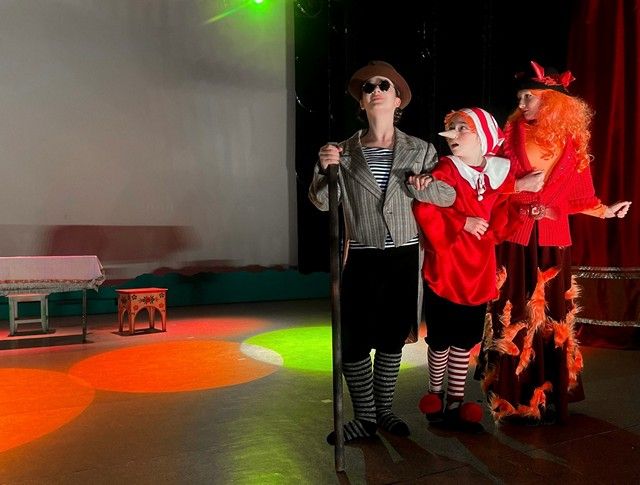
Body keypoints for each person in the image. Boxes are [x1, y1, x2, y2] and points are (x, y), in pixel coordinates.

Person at [308, 60, 456, 444]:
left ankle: (384, 412)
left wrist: (423, 186)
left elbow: (448, 196)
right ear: (361, 102)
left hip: (404, 257)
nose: (375, 90)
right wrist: (324, 170)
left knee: (392, 338)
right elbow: (322, 202)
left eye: (383, 85)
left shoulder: (421, 150)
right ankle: (365, 418)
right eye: (368, 87)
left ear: (397, 99)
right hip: (360, 258)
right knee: (353, 342)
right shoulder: (342, 151)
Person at [478, 61, 632, 425]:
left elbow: (580, 197)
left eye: (529, 97)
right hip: (516, 237)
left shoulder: (571, 143)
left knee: (553, 316)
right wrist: (520, 189)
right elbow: (488, 188)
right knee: (514, 311)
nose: (521, 103)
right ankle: (513, 395)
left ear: (552, 102)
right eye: (520, 97)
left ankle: (548, 394)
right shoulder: (508, 138)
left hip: (553, 239)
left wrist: (606, 211)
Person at [413, 108, 519, 432]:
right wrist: (462, 222)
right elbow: (424, 206)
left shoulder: (498, 172)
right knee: (440, 339)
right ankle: (435, 393)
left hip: (479, 266)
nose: (452, 134)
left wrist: (519, 212)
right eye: (451, 128)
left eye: (462, 128)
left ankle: (455, 401)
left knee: (463, 341)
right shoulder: (445, 169)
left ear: (483, 136)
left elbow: (503, 214)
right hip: (447, 264)